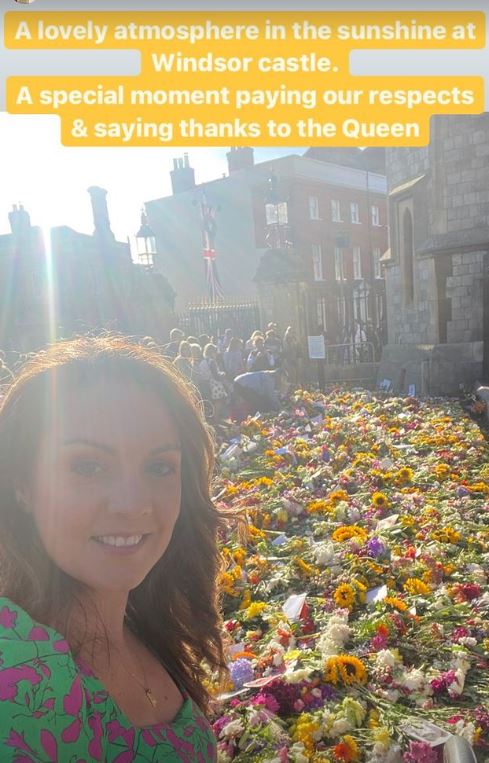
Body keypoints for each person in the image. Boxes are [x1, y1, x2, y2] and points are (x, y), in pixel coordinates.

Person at [0, 335, 225, 761]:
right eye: (88, 466)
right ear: (22, 486)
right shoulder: (15, 678)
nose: (134, 504)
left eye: (159, 467)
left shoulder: (144, 621)